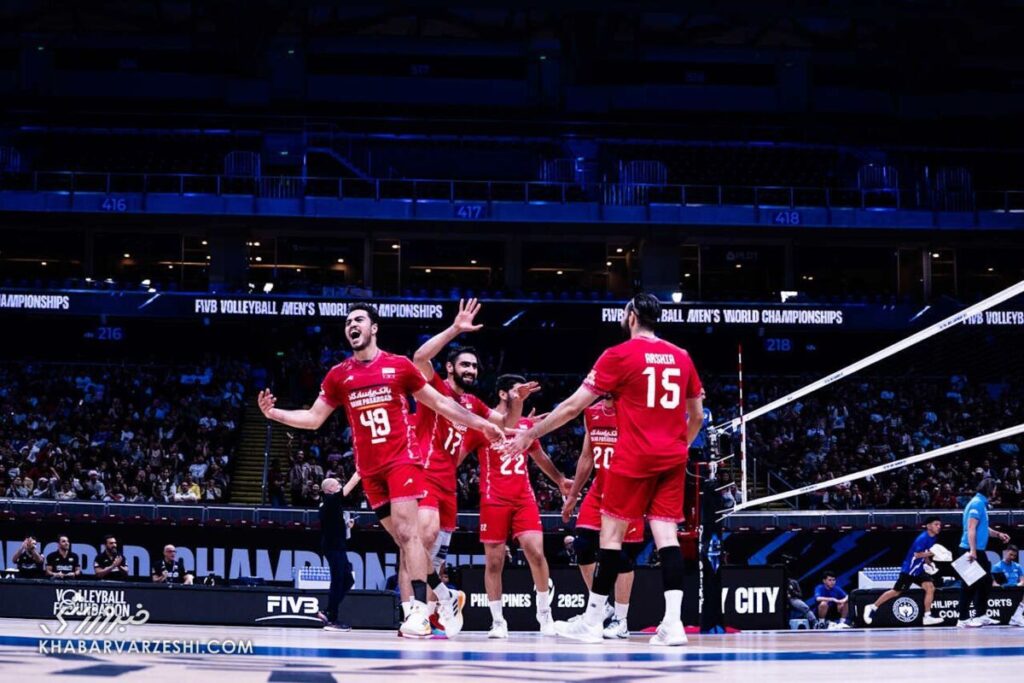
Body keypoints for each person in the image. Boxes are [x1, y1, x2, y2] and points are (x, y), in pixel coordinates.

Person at [257, 302, 504, 638]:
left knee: (408, 533)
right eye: (348, 321)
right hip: (370, 471)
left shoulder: (399, 366)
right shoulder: (339, 375)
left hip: (402, 461)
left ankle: (418, 613)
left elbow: (441, 403)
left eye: (359, 319)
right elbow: (313, 419)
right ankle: (446, 597)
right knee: (405, 542)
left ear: (373, 328)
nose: (352, 325)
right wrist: (274, 414)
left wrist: (481, 424)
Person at [508, 293, 703, 646]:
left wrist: (530, 434)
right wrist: (679, 447)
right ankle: (673, 624)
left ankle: (594, 620)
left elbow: (571, 407)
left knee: (610, 538)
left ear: (632, 317)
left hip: (634, 458)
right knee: (667, 537)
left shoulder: (618, 354)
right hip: (673, 458)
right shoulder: (682, 356)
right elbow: (698, 416)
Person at [409, 298, 537, 636]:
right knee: (424, 537)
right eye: (464, 365)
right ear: (450, 368)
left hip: (448, 482)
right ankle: (414, 611)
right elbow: (419, 358)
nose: (471, 371)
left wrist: (516, 402)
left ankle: (433, 613)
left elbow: (506, 424)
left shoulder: (474, 403)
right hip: (424, 472)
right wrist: (455, 328)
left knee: (436, 556)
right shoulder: (434, 387)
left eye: (475, 367)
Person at [460, 374, 573, 639]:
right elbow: (458, 457)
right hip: (493, 499)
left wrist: (559, 480)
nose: (522, 393)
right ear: (503, 394)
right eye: (516, 390)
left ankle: (544, 613)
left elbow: (540, 457)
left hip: (523, 498)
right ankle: (498, 621)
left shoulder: (526, 426)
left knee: (536, 552)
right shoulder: (481, 425)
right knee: (494, 562)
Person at [561, 395, 645, 639]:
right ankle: (600, 607)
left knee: (622, 557)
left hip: (628, 490)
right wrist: (573, 495)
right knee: (582, 546)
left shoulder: (634, 411)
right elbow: (587, 457)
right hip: (599, 490)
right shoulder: (592, 413)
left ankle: (621, 621)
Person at [863, 517, 944, 626]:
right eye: (936, 524)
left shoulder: (933, 538)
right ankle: (872, 607)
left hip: (919, 570)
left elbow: (925, 552)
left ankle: (927, 616)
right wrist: (932, 553)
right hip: (909, 570)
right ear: (929, 526)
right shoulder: (922, 538)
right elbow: (917, 554)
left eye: (939, 525)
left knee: (930, 587)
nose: (939, 527)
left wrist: (929, 562)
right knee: (896, 591)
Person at [958, 478, 1011, 627]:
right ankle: (963, 619)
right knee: (970, 584)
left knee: (986, 581)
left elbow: (983, 527)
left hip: (977, 550)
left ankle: (980, 615)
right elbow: (971, 528)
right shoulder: (976, 503)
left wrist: (998, 534)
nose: (995, 491)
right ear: (990, 489)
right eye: (994, 488)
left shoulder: (981, 503)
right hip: (969, 549)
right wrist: (973, 550)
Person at [316, 477, 355, 631]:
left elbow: (333, 524)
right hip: (333, 546)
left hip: (338, 545)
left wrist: (347, 526)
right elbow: (347, 489)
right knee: (338, 580)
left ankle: (328, 611)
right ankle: (331, 619)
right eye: (337, 485)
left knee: (348, 580)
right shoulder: (330, 500)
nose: (340, 486)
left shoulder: (331, 503)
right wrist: (359, 473)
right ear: (330, 489)